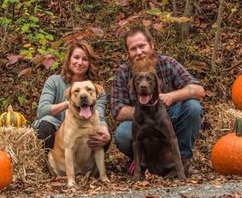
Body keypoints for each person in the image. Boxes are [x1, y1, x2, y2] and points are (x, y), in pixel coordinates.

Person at [111, 26, 205, 175]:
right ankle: (143, 163)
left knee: (192, 107)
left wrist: (171, 96)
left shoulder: (167, 63)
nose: (139, 52)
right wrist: (145, 112)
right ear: (128, 53)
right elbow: (117, 110)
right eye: (133, 49)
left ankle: (182, 163)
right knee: (122, 133)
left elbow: (198, 90)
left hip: (168, 119)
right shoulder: (122, 73)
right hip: (140, 123)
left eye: (142, 46)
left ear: (151, 45)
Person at [33, 40, 111, 151]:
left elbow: (100, 117)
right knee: (45, 125)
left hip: (82, 131)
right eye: (76, 57)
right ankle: (48, 165)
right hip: (57, 129)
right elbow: (42, 111)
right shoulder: (54, 81)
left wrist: (106, 133)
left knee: (103, 136)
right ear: (69, 59)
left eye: (85, 59)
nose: (80, 62)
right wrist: (70, 102)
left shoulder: (95, 90)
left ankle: (87, 167)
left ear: (89, 64)